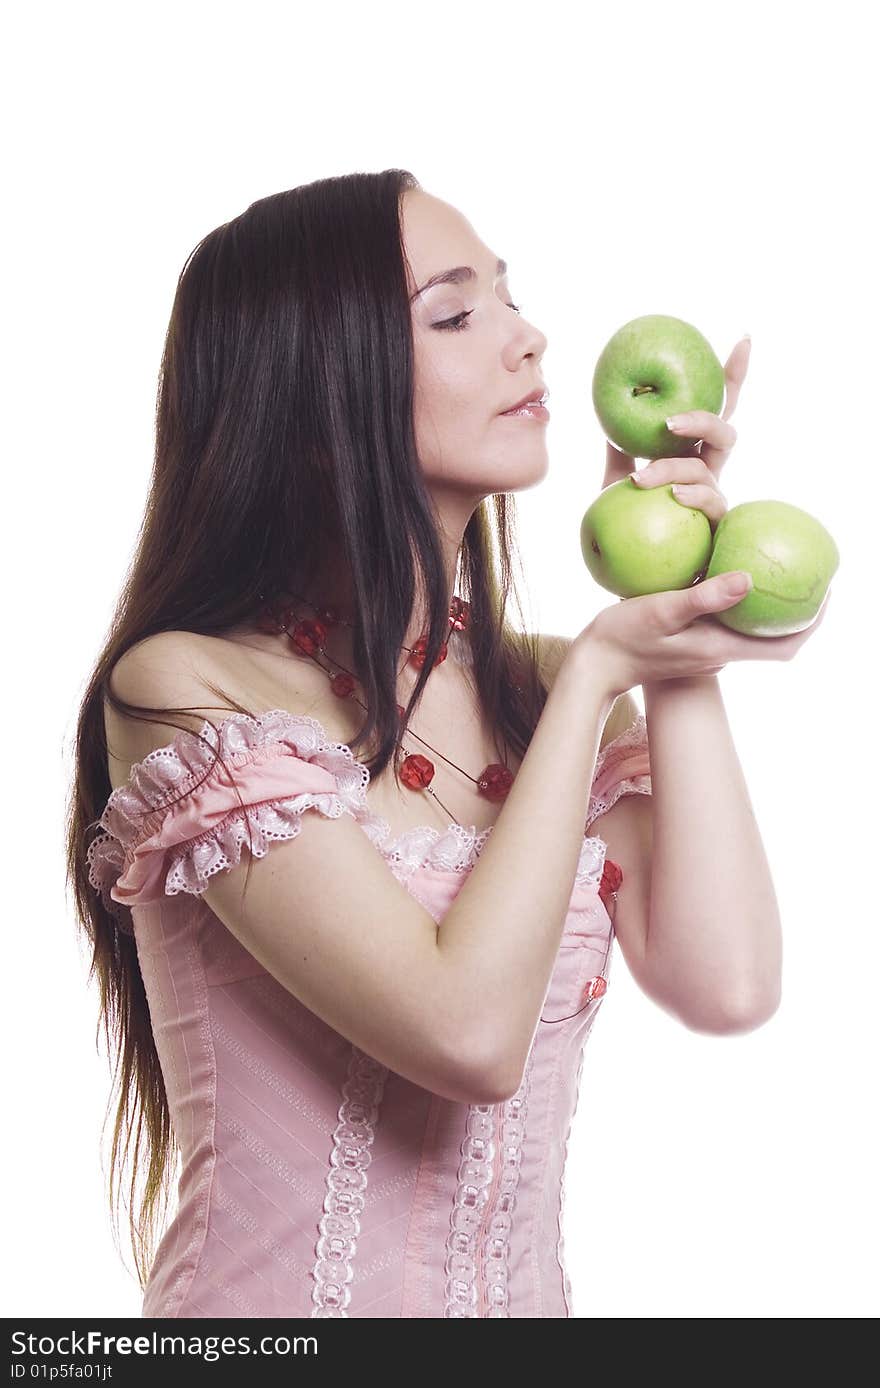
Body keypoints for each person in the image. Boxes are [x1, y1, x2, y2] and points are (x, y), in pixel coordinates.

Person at [67, 170, 826, 1319]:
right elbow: (465, 1033)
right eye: (456, 314)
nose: (530, 342)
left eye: (510, 299)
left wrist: (676, 625)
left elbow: (726, 981)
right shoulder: (184, 686)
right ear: (322, 400)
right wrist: (602, 675)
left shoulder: (543, 682)